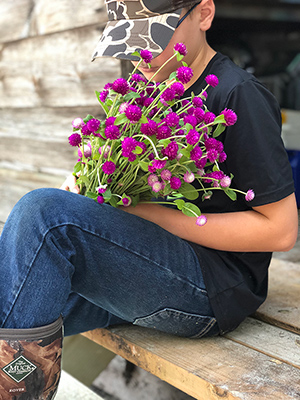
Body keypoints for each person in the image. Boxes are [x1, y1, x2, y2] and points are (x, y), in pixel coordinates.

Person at [0, 0, 298, 398]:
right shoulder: (148, 93)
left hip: (210, 289)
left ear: (204, 14)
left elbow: (280, 232)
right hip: (150, 271)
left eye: (153, 39)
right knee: (18, 264)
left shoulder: (238, 95)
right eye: (128, 44)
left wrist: (144, 212)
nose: (139, 56)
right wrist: (90, 191)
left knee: (44, 216)